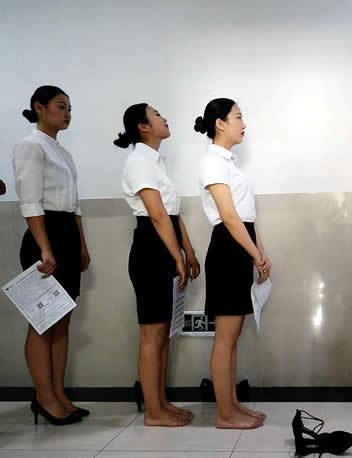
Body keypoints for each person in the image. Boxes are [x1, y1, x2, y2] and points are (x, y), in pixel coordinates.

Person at [117, 103, 200, 426]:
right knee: (152, 334)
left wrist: (188, 251)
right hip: (151, 250)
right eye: (157, 115)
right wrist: (177, 255)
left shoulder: (156, 161)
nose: (164, 118)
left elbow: (172, 214)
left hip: (165, 244)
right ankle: (153, 411)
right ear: (143, 126)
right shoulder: (139, 160)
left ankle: (161, 403)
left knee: (164, 331)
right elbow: (156, 215)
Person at [13, 85, 91, 425]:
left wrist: (82, 245)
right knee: (42, 321)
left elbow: (74, 205)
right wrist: (45, 247)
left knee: (63, 318)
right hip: (44, 235)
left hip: (67, 234)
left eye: (70, 108)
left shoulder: (63, 152)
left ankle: (59, 394)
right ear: (39, 108)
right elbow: (30, 201)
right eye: (61, 106)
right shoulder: (30, 146)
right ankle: (43, 398)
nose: (67, 113)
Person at [195, 98, 270, 429]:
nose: (244, 123)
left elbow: (246, 216)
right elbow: (228, 216)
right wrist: (253, 252)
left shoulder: (229, 163)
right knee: (225, 338)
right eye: (238, 117)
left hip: (240, 243)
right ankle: (224, 414)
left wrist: (259, 250)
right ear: (220, 123)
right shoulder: (212, 161)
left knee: (233, 334)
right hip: (228, 249)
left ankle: (233, 404)